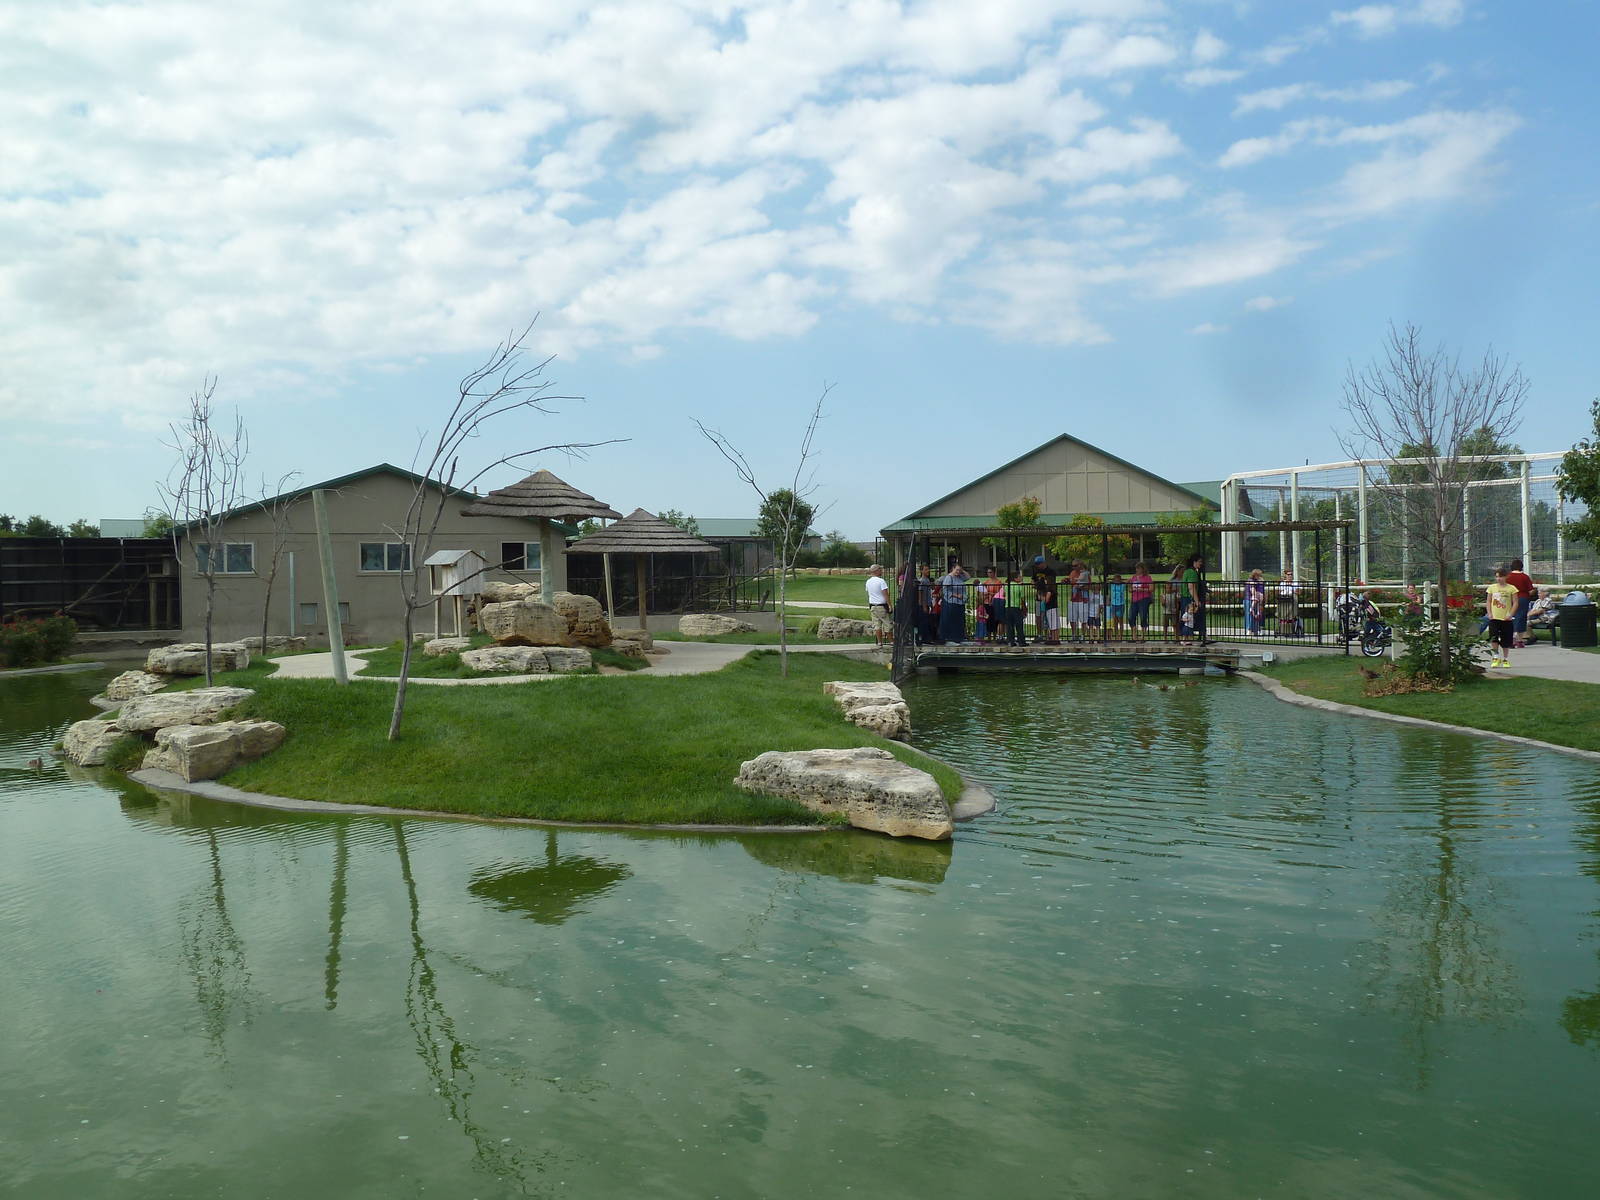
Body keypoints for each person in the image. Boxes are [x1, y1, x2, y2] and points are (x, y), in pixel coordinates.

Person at [1485, 566, 1517, 669]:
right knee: (1493, 637)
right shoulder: (1492, 588)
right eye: (1497, 577)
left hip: (1506, 618)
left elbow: (1515, 602)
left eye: (1501, 577)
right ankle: (1495, 656)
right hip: (1494, 617)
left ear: (1506, 577)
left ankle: (1506, 659)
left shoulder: (1511, 588)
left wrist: (1511, 614)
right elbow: (1489, 601)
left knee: (1506, 640)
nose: (1499, 579)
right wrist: (1489, 613)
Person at [936, 562, 969, 644]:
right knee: (950, 620)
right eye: (957, 570)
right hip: (951, 602)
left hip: (960, 603)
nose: (958, 572)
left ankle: (958, 638)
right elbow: (946, 591)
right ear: (953, 569)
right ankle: (948, 638)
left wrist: (962, 570)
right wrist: (957, 595)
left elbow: (968, 577)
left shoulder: (960, 577)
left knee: (959, 621)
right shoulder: (949, 578)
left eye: (959, 570)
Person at [1506, 557, 1535, 647]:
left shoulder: (1508, 577)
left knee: (1510, 617)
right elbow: (1530, 591)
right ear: (1521, 567)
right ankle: (1519, 640)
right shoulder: (1525, 577)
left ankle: (1511, 637)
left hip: (1509, 598)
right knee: (1521, 617)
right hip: (1522, 598)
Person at [1031, 556, 1059, 644]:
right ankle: (1040, 635)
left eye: (1039, 564)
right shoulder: (1036, 571)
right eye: (1036, 564)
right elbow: (1032, 582)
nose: (1037, 566)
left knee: (1050, 619)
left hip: (1047, 598)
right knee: (1039, 616)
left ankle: (1051, 637)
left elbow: (1050, 586)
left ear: (1043, 563)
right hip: (1040, 597)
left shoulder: (1050, 572)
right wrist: (1037, 586)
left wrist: (1043, 589)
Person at [1183, 553, 1209, 644]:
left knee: (1190, 619)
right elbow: (1191, 587)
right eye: (1199, 562)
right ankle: (1187, 639)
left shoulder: (1187, 571)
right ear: (1194, 562)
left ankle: (1188, 638)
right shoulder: (1192, 573)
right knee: (1190, 620)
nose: (1201, 563)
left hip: (1185, 598)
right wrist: (1197, 601)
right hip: (1189, 598)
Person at [865, 564, 891, 649]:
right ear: (876, 571)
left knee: (877, 625)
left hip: (872, 605)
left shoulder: (868, 582)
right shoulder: (881, 581)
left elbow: (868, 592)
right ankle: (891, 641)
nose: (881, 571)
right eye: (880, 569)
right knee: (887, 624)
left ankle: (879, 642)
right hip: (881, 606)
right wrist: (889, 605)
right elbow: (885, 594)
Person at [1128, 562, 1153, 643]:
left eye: (1138, 568)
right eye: (1136, 568)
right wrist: (1130, 588)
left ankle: (1142, 636)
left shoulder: (1147, 578)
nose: (1137, 570)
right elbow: (1130, 589)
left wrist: (1142, 589)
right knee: (1131, 617)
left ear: (1143, 569)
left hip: (1144, 599)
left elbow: (1151, 588)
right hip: (1134, 600)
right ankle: (1134, 636)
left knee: (1143, 617)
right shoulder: (1134, 578)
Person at [915, 564, 939, 644]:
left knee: (928, 621)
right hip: (924, 605)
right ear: (921, 571)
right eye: (925, 569)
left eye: (928, 569)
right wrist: (924, 605)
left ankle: (928, 637)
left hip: (928, 603)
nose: (927, 571)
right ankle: (924, 638)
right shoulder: (922, 581)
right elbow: (921, 593)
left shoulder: (927, 580)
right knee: (924, 622)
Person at [1004, 570, 1028, 646]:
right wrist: (1025, 608)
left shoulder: (1006, 586)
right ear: (1015, 579)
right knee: (1019, 625)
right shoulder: (1019, 587)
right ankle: (1021, 642)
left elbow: (1004, 594)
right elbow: (1022, 598)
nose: (1021, 577)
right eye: (1019, 577)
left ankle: (1011, 641)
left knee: (1009, 625)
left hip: (1008, 607)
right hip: (1016, 607)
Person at [1277, 568, 1299, 636]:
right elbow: (1279, 592)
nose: (1290, 576)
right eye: (1288, 574)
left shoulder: (1295, 583)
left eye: (1291, 574)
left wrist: (1294, 591)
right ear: (1285, 575)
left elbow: (1299, 592)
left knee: (1294, 598)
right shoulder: (1282, 583)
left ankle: (1290, 618)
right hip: (1284, 599)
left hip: (1292, 599)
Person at [1244, 569, 1266, 636]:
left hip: (1258, 599)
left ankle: (1258, 629)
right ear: (1255, 575)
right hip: (1250, 599)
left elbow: (1262, 589)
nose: (1259, 576)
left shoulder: (1259, 581)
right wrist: (1255, 596)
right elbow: (1252, 589)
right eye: (1258, 575)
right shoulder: (1251, 580)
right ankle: (1249, 630)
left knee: (1259, 615)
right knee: (1250, 615)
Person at [1108, 573, 1127, 641]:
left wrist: (1121, 581)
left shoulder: (1122, 585)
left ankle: (1121, 636)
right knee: (1115, 621)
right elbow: (1106, 581)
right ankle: (1116, 636)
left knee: (1120, 621)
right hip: (1113, 604)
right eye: (1115, 580)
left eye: (1118, 580)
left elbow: (1128, 580)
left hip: (1121, 604)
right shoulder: (1112, 585)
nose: (1117, 581)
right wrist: (1113, 580)